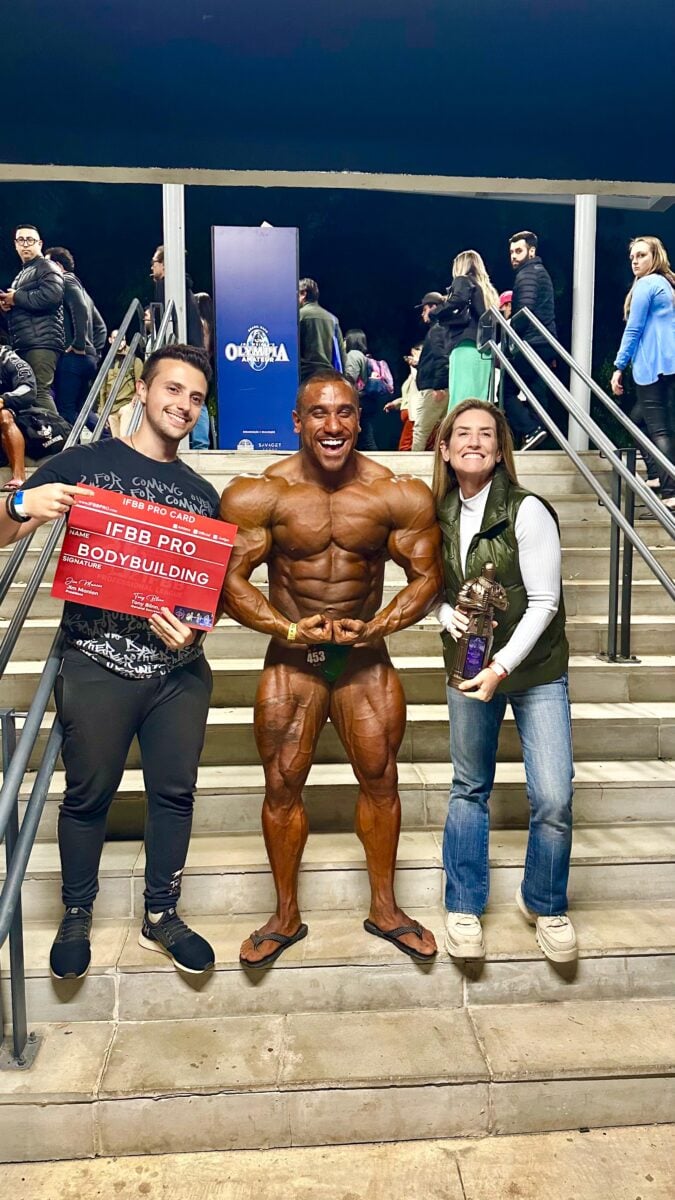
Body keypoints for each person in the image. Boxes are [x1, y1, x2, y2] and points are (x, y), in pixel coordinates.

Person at [0, 344, 220, 981]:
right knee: (87, 795)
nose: (182, 405)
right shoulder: (83, 465)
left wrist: (194, 634)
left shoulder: (202, 494)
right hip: (94, 662)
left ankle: (162, 914)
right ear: (143, 391)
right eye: (172, 390)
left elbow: (206, 597)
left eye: (196, 399)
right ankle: (77, 911)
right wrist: (21, 505)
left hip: (176, 674)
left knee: (174, 795)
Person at [218, 369, 442, 967]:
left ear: (359, 418)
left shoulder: (397, 492)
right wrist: (287, 628)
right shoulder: (260, 493)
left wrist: (379, 626)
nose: (333, 424)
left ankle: (385, 908)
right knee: (281, 783)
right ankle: (285, 915)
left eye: (345, 411)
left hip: (364, 658)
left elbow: (427, 576)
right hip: (294, 658)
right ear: (298, 422)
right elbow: (227, 581)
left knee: (381, 777)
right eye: (319, 413)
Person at [432, 398, 577, 965]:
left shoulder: (528, 509)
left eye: (485, 434)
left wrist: (501, 668)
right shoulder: (434, 514)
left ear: (499, 450)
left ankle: (544, 902)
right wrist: (447, 616)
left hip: (534, 670)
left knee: (554, 795)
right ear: (444, 448)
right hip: (467, 671)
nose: (473, 441)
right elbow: (429, 591)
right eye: (461, 433)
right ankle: (463, 904)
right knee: (469, 786)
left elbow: (543, 603)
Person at [611, 236, 675, 510]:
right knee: (636, 419)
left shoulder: (648, 284)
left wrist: (619, 366)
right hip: (667, 364)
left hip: (653, 364)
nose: (635, 262)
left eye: (641, 256)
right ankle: (657, 475)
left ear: (655, 257)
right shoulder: (665, 284)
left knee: (659, 428)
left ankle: (670, 490)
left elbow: (634, 329)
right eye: (633, 257)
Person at [502, 231, 559, 449]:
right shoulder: (539, 271)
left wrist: (510, 340)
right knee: (536, 392)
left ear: (531, 251)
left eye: (518, 251)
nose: (514, 256)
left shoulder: (527, 274)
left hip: (532, 342)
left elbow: (523, 311)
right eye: (511, 252)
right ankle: (540, 436)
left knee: (506, 390)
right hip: (544, 342)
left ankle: (531, 430)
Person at [0, 224, 64, 414]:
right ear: (15, 245)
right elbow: (25, 307)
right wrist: (7, 306)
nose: (25, 244)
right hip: (26, 342)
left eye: (30, 240)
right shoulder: (21, 275)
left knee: (39, 393)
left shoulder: (47, 266)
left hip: (42, 342)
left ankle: (61, 441)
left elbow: (52, 296)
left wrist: (16, 297)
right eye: (21, 240)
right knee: (31, 395)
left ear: (40, 243)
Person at [151, 246, 209, 449]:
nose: (152, 269)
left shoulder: (165, 285)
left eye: (154, 263)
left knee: (179, 393)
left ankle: (192, 443)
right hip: (198, 349)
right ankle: (201, 444)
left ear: (164, 265)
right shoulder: (187, 289)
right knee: (195, 396)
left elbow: (162, 322)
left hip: (182, 351)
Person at [45, 247, 107, 427]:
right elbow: (101, 327)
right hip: (86, 359)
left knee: (66, 410)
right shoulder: (84, 291)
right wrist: (94, 353)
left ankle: (74, 452)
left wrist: (79, 344)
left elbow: (79, 308)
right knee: (81, 410)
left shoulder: (66, 281)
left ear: (57, 265)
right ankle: (106, 440)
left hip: (73, 358)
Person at [437, 250, 499, 412]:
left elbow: (458, 300)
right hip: (483, 352)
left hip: (464, 346)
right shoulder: (487, 291)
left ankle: (457, 435)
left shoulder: (462, 281)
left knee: (460, 401)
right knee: (479, 402)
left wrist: (436, 312)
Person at [413, 291, 448, 451]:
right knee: (443, 433)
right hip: (439, 385)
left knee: (421, 431)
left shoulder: (437, 329)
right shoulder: (445, 328)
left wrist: (438, 386)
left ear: (433, 307)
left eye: (424, 309)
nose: (422, 313)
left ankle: (413, 471)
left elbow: (442, 357)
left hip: (435, 388)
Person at [0, 340, 36, 487]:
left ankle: (18, 476)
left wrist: (3, 400)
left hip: (17, 416)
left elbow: (28, 388)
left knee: (3, 416)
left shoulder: (7, 357)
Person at [98, 329, 144, 438]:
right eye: (115, 338)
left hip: (127, 405)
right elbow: (102, 389)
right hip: (111, 409)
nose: (119, 342)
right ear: (110, 340)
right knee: (117, 443)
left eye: (122, 339)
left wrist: (137, 396)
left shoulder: (134, 360)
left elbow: (141, 382)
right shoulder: (108, 362)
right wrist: (102, 412)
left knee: (126, 439)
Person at [298, 278, 345, 381]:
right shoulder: (333, 319)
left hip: (305, 375)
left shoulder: (298, 316)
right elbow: (341, 355)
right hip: (329, 374)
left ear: (303, 294)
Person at [384, 343, 423, 450]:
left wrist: (416, 365)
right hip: (408, 414)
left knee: (405, 447)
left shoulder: (422, 372)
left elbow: (421, 385)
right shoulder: (411, 375)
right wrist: (394, 404)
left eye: (417, 349)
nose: (413, 351)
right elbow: (408, 396)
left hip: (415, 416)